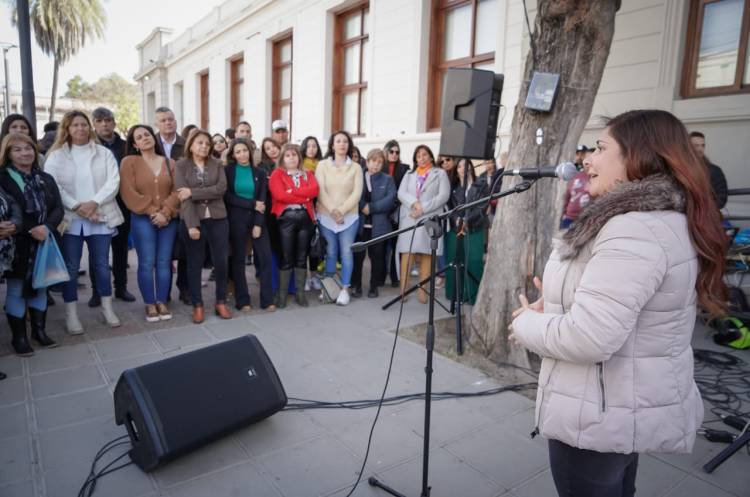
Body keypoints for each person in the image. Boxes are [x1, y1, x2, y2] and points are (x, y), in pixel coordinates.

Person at [509, 109, 728, 497]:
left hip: (596, 416)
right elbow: (625, 307)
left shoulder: (633, 229)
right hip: (614, 408)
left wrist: (525, 324)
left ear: (637, 157)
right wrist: (558, 304)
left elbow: (590, 337)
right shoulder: (647, 219)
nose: (588, 160)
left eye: (600, 147)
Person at [45, 110, 124, 333]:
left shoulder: (103, 153)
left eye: (83, 124)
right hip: (71, 219)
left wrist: (93, 203)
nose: (80, 128)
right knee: (71, 267)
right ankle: (71, 315)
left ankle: (107, 308)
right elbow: (53, 186)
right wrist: (77, 205)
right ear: (67, 129)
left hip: (100, 216)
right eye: (75, 125)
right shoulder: (57, 156)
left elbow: (113, 181)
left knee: (101, 265)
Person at [0, 134, 56, 355]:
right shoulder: (2, 178)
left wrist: (47, 227)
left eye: (28, 148)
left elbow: (57, 208)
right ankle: (19, 338)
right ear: (8, 154)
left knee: (41, 285)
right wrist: (29, 229)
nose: (25, 153)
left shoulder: (45, 178)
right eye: (17, 149)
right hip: (15, 243)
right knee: (16, 289)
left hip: (44, 239)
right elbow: (12, 210)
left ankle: (39, 332)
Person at [119, 125, 180, 322]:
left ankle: (161, 300)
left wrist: (166, 212)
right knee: (146, 262)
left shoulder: (170, 163)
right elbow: (128, 192)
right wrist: (154, 211)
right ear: (135, 144)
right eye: (139, 137)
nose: (144, 138)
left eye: (147, 134)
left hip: (168, 219)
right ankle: (149, 303)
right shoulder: (129, 162)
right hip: (142, 219)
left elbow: (177, 191)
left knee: (164, 262)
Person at [174, 130, 231, 323]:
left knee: (221, 262)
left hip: (218, 218)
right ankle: (197, 305)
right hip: (193, 220)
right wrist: (191, 225)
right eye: (200, 143)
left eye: (207, 144)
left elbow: (221, 189)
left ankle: (220, 301)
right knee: (194, 264)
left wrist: (193, 192)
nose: (205, 147)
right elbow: (183, 198)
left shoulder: (217, 164)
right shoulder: (181, 165)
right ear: (190, 145)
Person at [90, 107, 135, 307]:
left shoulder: (126, 146)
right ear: (94, 124)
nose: (104, 124)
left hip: (122, 204)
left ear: (114, 123)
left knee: (120, 249)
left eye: (108, 120)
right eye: (99, 121)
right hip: (97, 204)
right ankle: (97, 291)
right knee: (97, 252)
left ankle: (121, 287)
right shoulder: (89, 146)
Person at [224, 138, 275, 311]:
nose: (242, 154)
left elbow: (262, 200)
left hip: (258, 219)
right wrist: (251, 204)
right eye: (238, 152)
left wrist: (258, 224)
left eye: (244, 150)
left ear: (250, 152)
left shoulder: (260, 172)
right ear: (233, 154)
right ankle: (242, 300)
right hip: (236, 219)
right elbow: (227, 197)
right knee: (238, 259)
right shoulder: (228, 171)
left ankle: (267, 299)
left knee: (265, 257)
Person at [395, 144, 450, 304]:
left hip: (429, 218)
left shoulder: (440, 173)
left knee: (427, 255)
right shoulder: (409, 174)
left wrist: (423, 208)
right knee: (407, 254)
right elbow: (401, 193)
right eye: (418, 156)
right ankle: (403, 291)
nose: (421, 158)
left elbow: (443, 196)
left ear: (431, 157)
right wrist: (415, 204)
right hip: (410, 217)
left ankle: (423, 292)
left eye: (424, 155)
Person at [315, 130, 363, 306]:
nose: (342, 144)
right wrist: (333, 211)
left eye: (345, 141)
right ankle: (329, 288)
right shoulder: (322, 165)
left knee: (346, 252)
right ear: (332, 145)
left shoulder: (356, 168)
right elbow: (320, 190)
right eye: (338, 141)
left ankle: (344, 289)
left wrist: (341, 211)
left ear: (349, 145)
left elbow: (357, 193)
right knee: (331, 252)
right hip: (327, 218)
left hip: (349, 218)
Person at [269, 144, 319, 307]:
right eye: (288, 155)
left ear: (299, 157)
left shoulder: (308, 174)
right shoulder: (277, 174)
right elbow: (279, 195)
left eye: (294, 155)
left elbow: (314, 191)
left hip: (306, 219)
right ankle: (281, 295)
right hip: (286, 219)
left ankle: (300, 294)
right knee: (286, 256)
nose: (292, 158)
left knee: (301, 256)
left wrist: (293, 193)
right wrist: (303, 197)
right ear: (283, 158)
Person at [154, 107, 189, 304]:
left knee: (184, 251)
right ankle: (163, 292)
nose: (168, 123)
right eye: (163, 120)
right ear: (157, 124)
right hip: (160, 206)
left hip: (184, 204)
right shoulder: (151, 145)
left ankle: (184, 289)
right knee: (163, 253)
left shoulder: (186, 145)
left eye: (171, 119)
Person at [351, 149, 396, 298]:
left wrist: (371, 208)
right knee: (358, 257)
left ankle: (373, 286)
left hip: (379, 226)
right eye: (373, 161)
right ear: (367, 161)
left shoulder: (387, 179)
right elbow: (352, 194)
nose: (375, 165)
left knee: (377, 258)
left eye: (379, 162)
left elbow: (390, 200)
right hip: (359, 226)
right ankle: (356, 285)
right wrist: (362, 205)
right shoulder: (358, 175)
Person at [444, 158, 487, 305]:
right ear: (456, 170)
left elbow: (482, 207)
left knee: (473, 261)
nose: (463, 168)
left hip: (475, 228)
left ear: (471, 167)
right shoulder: (453, 187)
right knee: (455, 260)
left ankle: (473, 296)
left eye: (465, 165)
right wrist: (457, 220)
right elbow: (451, 208)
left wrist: (467, 221)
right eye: (459, 166)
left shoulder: (480, 185)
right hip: (455, 229)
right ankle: (455, 294)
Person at [382, 139, 410, 288]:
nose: (394, 154)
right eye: (391, 151)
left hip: (399, 212)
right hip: (382, 212)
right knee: (380, 247)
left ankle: (395, 276)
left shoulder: (405, 169)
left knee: (396, 247)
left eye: (397, 152)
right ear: (386, 151)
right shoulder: (380, 167)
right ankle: (380, 276)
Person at [689, 131, 728, 210]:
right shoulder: (679, 169)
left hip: (706, 217)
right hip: (684, 217)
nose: (700, 149)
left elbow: (722, 197)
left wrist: (704, 210)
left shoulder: (714, 171)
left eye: (702, 145)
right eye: (696, 146)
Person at [560, 146, 593, 229]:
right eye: (586, 158)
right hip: (569, 218)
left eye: (591, 158)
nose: (587, 162)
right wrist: (563, 213)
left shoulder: (597, 177)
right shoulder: (576, 176)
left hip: (587, 219)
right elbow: (567, 195)